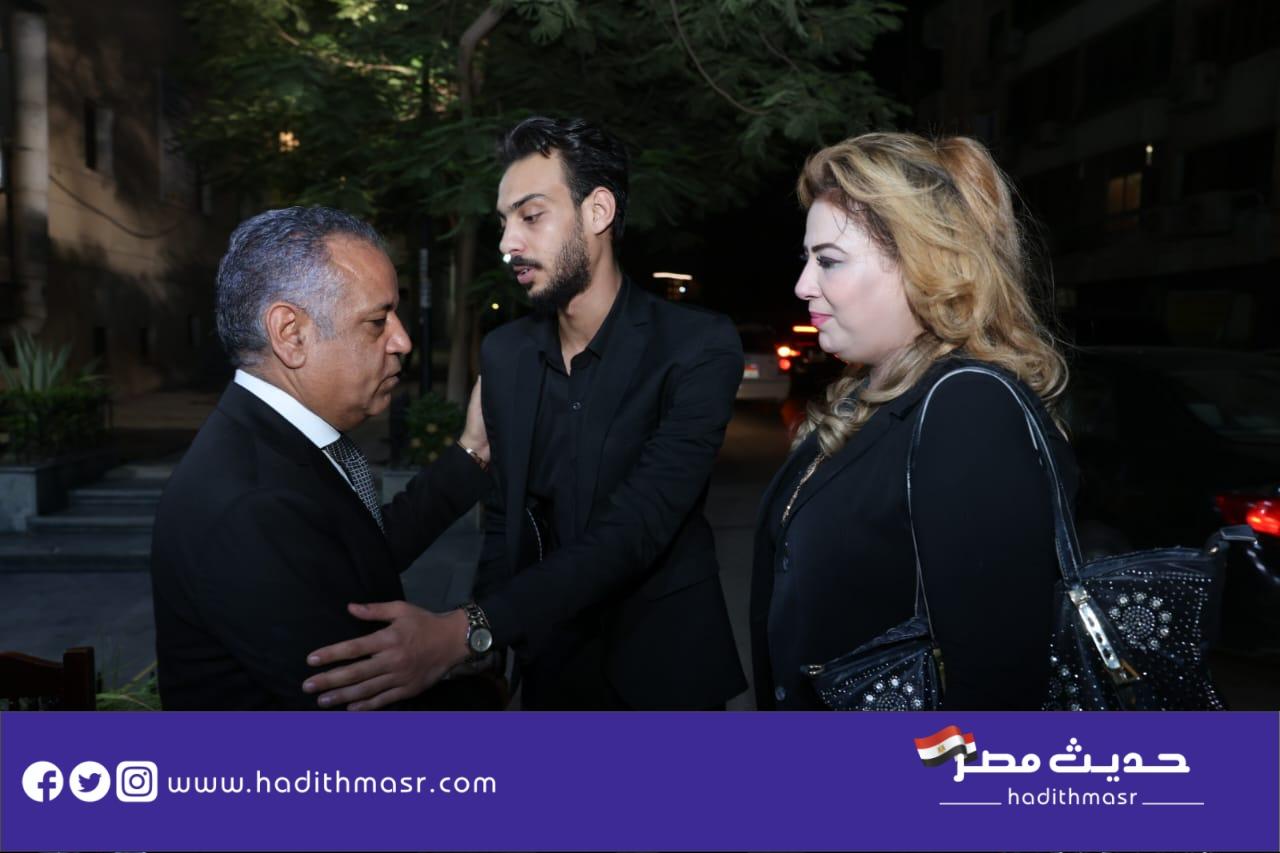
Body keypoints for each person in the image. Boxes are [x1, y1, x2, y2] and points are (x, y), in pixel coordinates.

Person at [302, 117, 748, 710]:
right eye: (503, 222)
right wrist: (489, 655)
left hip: (664, 677)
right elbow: (505, 523)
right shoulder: (506, 353)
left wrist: (467, 628)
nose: (507, 242)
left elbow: (637, 529)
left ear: (598, 211)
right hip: (548, 671)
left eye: (531, 216)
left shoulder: (696, 346)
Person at [750, 132, 1079, 711]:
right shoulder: (866, 396)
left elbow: (997, 684)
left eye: (829, 261)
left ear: (922, 265)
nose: (803, 285)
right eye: (807, 260)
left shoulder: (969, 408)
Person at [151, 206, 494, 710]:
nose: (402, 340)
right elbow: (366, 703)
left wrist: (474, 451)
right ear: (291, 333)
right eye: (377, 321)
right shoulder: (252, 505)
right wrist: (480, 646)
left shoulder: (271, 437)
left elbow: (363, 547)